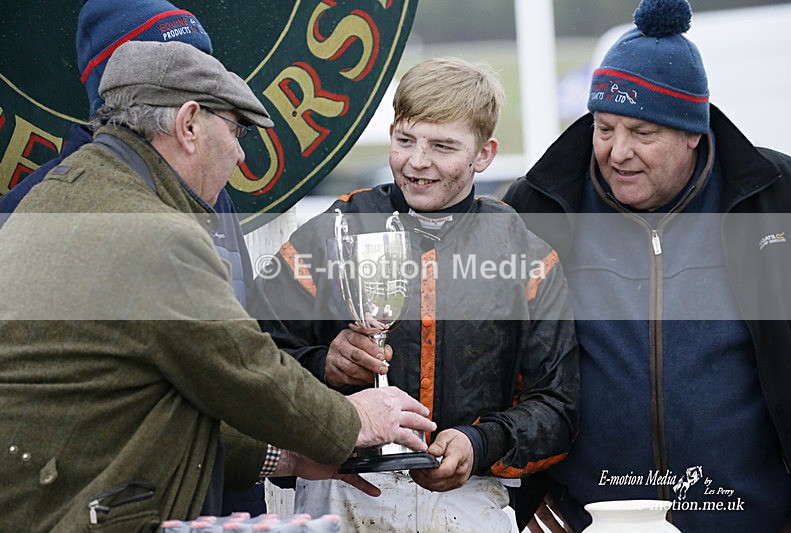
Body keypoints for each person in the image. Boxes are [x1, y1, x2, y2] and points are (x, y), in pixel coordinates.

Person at [0, 40, 438, 532]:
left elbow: (143, 401)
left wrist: (289, 458)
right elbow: (245, 369)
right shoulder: (154, 234)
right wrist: (354, 421)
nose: (237, 155)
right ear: (189, 125)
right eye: (235, 131)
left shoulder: (54, 196)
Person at [502, 0, 791, 531]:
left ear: (693, 131)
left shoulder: (781, 200)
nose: (617, 152)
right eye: (604, 127)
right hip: (587, 522)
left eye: (642, 133)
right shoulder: (538, 210)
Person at [253, 57, 579, 533]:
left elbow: (559, 407)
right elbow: (252, 360)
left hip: (470, 499)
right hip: (341, 489)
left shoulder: (526, 255)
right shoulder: (328, 234)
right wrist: (324, 363)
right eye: (405, 140)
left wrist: (477, 443)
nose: (417, 161)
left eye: (443, 146)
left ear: (484, 155)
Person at [0, 0, 281, 515]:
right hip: (108, 507)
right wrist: (335, 430)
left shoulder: (213, 194)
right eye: (178, 67)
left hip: (228, 497)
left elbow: (242, 344)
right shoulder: (30, 210)